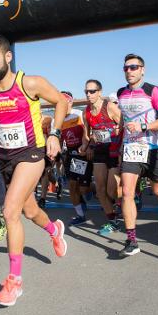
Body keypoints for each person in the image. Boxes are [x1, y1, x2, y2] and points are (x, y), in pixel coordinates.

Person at [0, 34, 68, 307]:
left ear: (7, 56)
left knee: (10, 211)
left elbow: (61, 101)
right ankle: (53, 230)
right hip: (3, 158)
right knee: (29, 210)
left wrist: (55, 134)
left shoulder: (30, 83)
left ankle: (14, 282)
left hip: (31, 154)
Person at [117, 53, 158, 256]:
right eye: (126, 68)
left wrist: (144, 126)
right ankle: (132, 240)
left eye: (133, 67)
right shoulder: (120, 93)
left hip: (152, 148)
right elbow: (123, 121)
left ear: (143, 69)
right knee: (126, 193)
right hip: (131, 148)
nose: (129, 71)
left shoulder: (153, 90)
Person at [81, 79, 122, 235]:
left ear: (100, 92)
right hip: (100, 151)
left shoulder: (110, 107)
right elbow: (87, 135)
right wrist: (85, 146)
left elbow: (125, 127)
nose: (89, 94)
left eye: (92, 91)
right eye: (86, 91)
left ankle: (132, 195)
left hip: (114, 151)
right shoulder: (86, 112)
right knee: (100, 189)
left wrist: (121, 146)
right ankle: (112, 221)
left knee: (112, 191)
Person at [58, 91, 93, 226]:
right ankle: (80, 215)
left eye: (64, 102)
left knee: (83, 189)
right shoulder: (59, 119)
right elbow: (60, 138)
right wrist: (58, 153)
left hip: (83, 152)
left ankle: (93, 189)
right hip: (71, 155)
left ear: (70, 102)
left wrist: (88, 147)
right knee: (73, 186)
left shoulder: (78, 115)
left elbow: (88, 133)